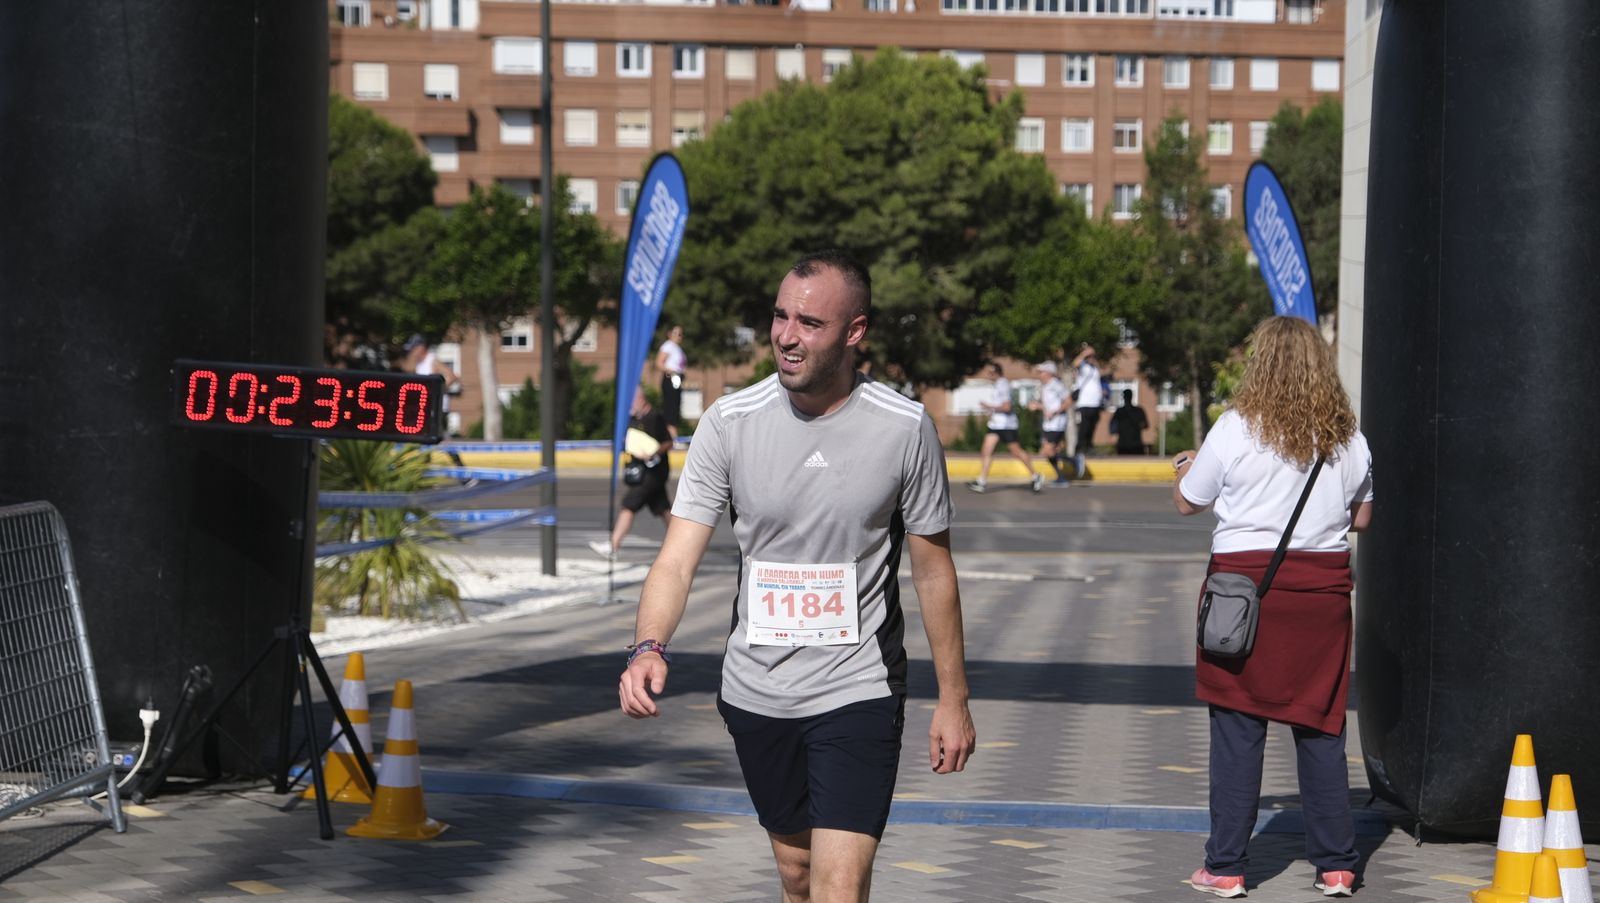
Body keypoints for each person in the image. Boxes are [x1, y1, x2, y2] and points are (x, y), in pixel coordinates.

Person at [619, 250, 976, 903]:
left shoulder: (904, 428)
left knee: (839, 884)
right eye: (781, 316)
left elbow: (932, 569)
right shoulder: (730, 422)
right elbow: (676, 557)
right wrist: (648, 644)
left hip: (858, 684)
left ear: (854, 332)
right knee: (798, 874)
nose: (787, 334)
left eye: (810, 322)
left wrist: (953, 699)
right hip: (758, 688)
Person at [1171, 316, 1373, 899]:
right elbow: (1362, 517)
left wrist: (1185, 465)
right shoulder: (1348, 436)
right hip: (1322, 597)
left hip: (1242, 596)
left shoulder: (1234, 429)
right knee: (1321, 725)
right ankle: (1337, 865)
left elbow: (1189, 502)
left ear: (1260, 363)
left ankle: (1227, 867)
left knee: (1237, 726)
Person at [589, 387, 674, 559]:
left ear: (641, 399)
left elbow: (668, 442)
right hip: (643, 472)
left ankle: (613, 546)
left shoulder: (654, 418)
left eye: (633, 400)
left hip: (653, 473)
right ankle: (682, 543)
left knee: (628, 505)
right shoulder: (634, 420)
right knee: (663, 509)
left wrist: (653, 453)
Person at [967, 362, 1043, 494]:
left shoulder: (1003, 384)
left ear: (996, 372)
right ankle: (981, 481)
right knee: (986, 450)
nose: (988, 376)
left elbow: (1007, 407)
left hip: (1007, 425)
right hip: (996, 425)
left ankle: (1036, 476)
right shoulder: (997, 385)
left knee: (1016, 452)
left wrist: (989, 406)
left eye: (990, 373)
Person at [404, 334, 465, 468]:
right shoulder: (419, 365)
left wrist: (437, 392)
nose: (412, 353)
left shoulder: (433, 361)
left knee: (438, 437)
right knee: (429, 437)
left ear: (421, 348)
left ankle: (460, 469)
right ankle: (426, 470)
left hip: (438, 408)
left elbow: (452, 376)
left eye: (413, 349)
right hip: (427, 407)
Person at [1027, 361, 1072, 485]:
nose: (1040, 374)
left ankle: (1073, 461)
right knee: (1047, 452)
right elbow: (1048, 407)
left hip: (1057, 423)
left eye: (1042, 372)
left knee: (1047, 451)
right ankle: (1061, 477)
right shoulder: (1046, 386)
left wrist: (1056, 412)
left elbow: (1068, 401)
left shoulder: (1056, 385)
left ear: (1048, 373)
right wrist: (1038, 406)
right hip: (1049, 423)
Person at [1069, 343, 1104, 478]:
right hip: (1085, 402)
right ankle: (1079, 449)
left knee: (1092, 426)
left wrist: (1093, 359)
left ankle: (1089, 447)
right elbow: (1075, 364)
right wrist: (1084, 353)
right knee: (1084, 426)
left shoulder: (1093, 368)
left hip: (1096, 402)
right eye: (1090, 356)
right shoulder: (1082, 366)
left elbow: (1100, 374)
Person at [655, 324, 687, 437]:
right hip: (670, 380)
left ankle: (673, 436)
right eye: (676, 333)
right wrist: (671, 371)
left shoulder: (677, 348)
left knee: (675, 409)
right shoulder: (668, 346)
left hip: (677, 380)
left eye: (680, 334)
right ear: (669, 334)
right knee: (670, 410)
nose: (678, 336)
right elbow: (659, 363)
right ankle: (671, 438)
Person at [1109, 388, 1150, 456]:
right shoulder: (1120, 411)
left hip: (1135, 444)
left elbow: (1146, 425)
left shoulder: (1138, 411)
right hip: (1124, 444)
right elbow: (1112, 427)